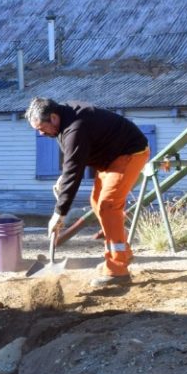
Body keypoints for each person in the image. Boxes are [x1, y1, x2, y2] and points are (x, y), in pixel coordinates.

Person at [25, 96, 150, 286]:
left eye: (42, 128)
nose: (41, 134)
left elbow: (74, 170)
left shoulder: (75, 127)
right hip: (109, 159)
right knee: (97, 203)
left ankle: (117, 270)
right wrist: (63, 177)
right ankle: (123, 252)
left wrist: (59, 214)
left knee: (108, 206)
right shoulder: (62, 117)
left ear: (53, 117)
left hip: (129, 153)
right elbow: (72, 158)